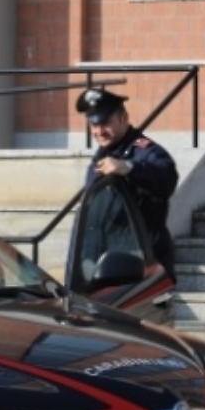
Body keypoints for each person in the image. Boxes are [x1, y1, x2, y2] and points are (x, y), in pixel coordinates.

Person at [75, 87, 179, 280]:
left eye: (106, 123)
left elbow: (167, 178)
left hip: (143, 268)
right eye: (94, 125)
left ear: (124, 118)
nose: (99, 131)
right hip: (105, 268)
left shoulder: (145, 152)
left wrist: (130, 168)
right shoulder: (100, 158)